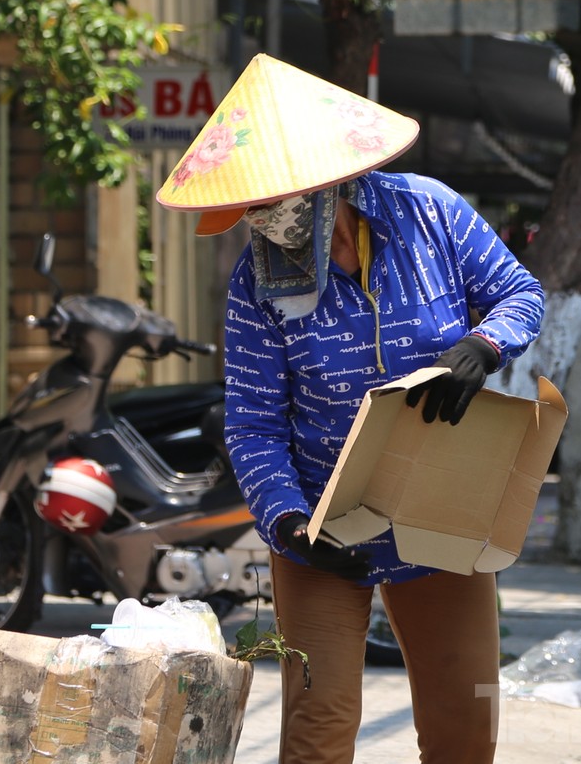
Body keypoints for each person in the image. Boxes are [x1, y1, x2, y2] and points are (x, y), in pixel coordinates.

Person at [156, 54, 544, 764]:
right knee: (319, 730)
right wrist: (290, 521)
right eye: (254, 206)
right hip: (319, 524)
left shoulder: (429, 212)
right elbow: (252, 419)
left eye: (281, 199)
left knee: (465, 727)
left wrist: (484, 345)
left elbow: (522, 294)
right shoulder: (255, 284)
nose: (266, 219)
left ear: (332, 180)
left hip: (439, 507)